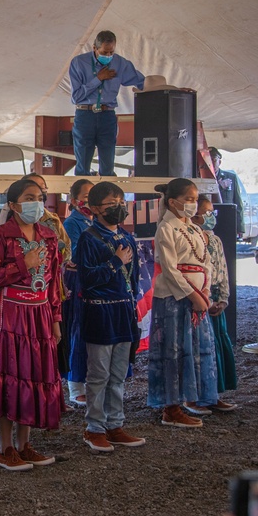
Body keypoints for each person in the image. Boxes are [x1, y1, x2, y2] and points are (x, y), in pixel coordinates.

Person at [0, 178, 63, 471]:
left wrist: (55, 318)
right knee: (10, 374)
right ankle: (5, 447)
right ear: (12, 205)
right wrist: (24, 263)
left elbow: (54, 284)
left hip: (39, 314)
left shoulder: (49, 236)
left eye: (39, 197)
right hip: (11, 313)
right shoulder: (1, 236)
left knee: (34, 375)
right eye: (28, 197)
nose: (36, 202)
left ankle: (25, 444)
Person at [74, 181, 146, 452]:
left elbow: (135, 277)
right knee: (99, 373)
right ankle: (94, 427)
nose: (118, 208)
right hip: (100, 310)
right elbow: (87, 279)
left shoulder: (126, 237)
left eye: (120, 202)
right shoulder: (88, 238)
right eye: (110, 204)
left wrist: (134, 304)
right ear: (94, 209)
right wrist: (115, 262)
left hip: (123, 311)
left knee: (118, 373)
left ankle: (115, 424)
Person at [146, 179, 218, 428]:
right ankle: (171, 407)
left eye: (195, 199)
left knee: (194, 349)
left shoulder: (195, 229)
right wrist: (194, 295)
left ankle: (190, 398)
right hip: (175, 298)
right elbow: (169, 268)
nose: (192, 204)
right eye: (188, 199)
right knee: (173, 350)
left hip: (198, 294)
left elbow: (206, 261)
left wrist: (205, 289)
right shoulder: (166, 228)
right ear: (173, 201)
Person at [68, 30, 144, 176]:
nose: (108, 56)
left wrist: (168, 88)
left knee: (108, 161)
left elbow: (142, 82)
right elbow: (76, 97)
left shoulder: (120, 63)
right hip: (85, 113)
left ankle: (107, 191)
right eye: (104, 52)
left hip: (107, 114)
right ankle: (82, 194)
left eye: (111, 52)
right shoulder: (79, 63)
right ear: (94, 48)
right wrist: (98, 79)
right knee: (83, 161)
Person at [187, 196, 237, 413]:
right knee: (198, 349)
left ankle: (213, 394)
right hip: (198, 298)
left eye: (211, 212)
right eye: (206, 212)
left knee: (216, 346)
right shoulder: (188, 237)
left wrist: (224, 298)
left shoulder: (215, 240)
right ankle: (193, 397)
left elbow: (223, 270)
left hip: (215, 297)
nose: (210, 216)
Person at [24, 173, 72, 394]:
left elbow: (67, 250)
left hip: (52, 288)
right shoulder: (12, 222)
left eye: (42, 191)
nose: (39, 196)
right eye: (32, 192)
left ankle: (52, 392)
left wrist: (56, 252)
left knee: (54, 341)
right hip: (24, 292)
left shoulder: (53, 220)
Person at [62, 178, 95, 406]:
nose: (90, 201)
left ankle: (92, 382)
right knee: (79, 330)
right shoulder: (73, 223)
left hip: (96, 279)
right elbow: (74, 253)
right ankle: (75, 385)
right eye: (87, 196)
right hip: (79, 279)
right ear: (74, 201)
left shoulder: (97, 222)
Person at [209, 147, 245, 238]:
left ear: (219, 162)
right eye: (208, 160)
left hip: (225, 221)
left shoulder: (230, 177)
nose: (211, 163)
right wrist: (219, 187)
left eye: (214, 160)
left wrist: (239, 227)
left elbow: (237, 202)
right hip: (207, 222)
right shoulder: (200, 177)